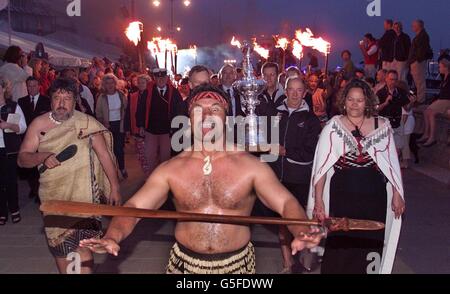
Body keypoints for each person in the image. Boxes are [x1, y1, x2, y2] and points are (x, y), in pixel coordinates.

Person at [80, 84, 322, 274]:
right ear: (189, 119)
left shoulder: (250, 166)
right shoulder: (171, 169)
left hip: (236, 266)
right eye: (199, 110)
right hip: (185, 264)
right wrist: (113, 235)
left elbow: (286, 203)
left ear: (226, 118)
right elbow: (134, 207)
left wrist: (301, 230)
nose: (207, 115)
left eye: (215, 109)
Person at [17, 78, 121, 274]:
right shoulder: (39, 124)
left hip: (84, 197)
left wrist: (114, 187)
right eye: (57, 98)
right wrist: (42, 156)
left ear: (75, 101)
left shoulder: (86, 123)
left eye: (67, 98)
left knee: (83, 246)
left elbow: (104, 155)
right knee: (60, 249)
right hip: (54, 197)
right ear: (51, 100)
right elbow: (22, 159)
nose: (62, 103)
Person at [308, 79, 405, 274]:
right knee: (341, 239)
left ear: (367, 102)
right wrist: (318, 201)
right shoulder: (332, 127)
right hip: (343, 192)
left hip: (374, 193)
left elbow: (392, 164)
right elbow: (321, 169)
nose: (354, 104)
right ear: (344, 101)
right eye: (351, 99)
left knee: (371, 238)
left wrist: (397, 193)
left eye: (359, 100)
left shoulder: (382, 126)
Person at [269, 77, 322, 273]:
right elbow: (266, 139)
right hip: (276, 176)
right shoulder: (276, 112)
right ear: (286, 90)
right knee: (281, 222)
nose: (294, 93)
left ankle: (301, 259)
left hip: (298, 178)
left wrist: (286, 152)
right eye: (291, 89)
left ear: (304, 92)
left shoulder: (310, 119)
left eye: (299, 90)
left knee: (298, 220)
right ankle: (286, 262)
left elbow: (310, 152)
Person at [136, 68, 184, 175]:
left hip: (167, 131)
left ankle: (164, 177)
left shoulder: (174, 92)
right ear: (154, 79)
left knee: (165, 156)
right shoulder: (148, 92)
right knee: (150, 155)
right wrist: (141, 126)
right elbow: (141, 109)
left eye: (163, 78)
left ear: (167, 78)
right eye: (158, 78)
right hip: (151, 130)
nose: (161, 80)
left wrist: (177, 128)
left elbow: (179, 110)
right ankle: (153, 177)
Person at [18, 77, 51, 202]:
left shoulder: (47, 101)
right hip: (26, 139)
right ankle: (34, 188)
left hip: (42, 139)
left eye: (34, 86)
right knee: (29, 167)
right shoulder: (21, 101)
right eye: (29, 86)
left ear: (39, 86)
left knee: (41, 166)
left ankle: (39, 191)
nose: (31, 88)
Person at [0, 76, 27, 225]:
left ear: (4, 88)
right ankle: (2, 212)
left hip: (9, 150)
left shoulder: (13, 106)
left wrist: (8, 125)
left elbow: (22, 127)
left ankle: (14, 210)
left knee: (10, 181)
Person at [96, 73, 129, 179]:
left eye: (112, 83)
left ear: (115, 83)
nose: (110, 85)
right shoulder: (102, 97)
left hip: (119, 124)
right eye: (107, 83)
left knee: (119, 148)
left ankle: (122, 168)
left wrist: (126, 126)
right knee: (109, 149)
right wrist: (102, 123)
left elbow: (126, 109)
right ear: (104, 85)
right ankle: (112, 171)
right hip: (107, 125)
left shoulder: (121, 95)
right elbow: (98, 112)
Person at [418, 56, 450, 147]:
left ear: (445, 67)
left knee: (430, 113)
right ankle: (426, 134)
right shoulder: (444, 77)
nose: (438, 69)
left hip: (446, 101)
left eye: (440, 67)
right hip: (442, 100)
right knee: (425, 112)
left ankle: (432, 137)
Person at [376, 70, 411, 152]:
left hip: (397, 122)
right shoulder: (380, 93)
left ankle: (395, 163)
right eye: (391, 79)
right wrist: (385, 103)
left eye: (395, 79)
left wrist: (411, 103)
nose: (393, 82)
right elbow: (376, 108)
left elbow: (407, 108)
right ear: (386, 79)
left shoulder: (401, 92)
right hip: (385, 123)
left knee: (398, 149)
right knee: (385, 149)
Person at [126, 74, 151, 174]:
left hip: (150, 129)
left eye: (143, 82)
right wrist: (127, 128)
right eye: (139, 82)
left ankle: (152, 171)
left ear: (148, 83)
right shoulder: (132, 96)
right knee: (141, 152)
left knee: (150, 152)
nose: (140, 84)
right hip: (136, 129)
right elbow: (128, 112)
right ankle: (146, 172)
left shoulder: (152, 95)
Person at [408, 20, 433, 104]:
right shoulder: (421, 35)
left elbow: (421, 50)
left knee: (420, 82)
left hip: (418, 62)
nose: (412, 27)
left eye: (413, 25)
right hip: (416, 61)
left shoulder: (422, 36)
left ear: (418, 26)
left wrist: (416, 59)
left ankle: (420, 100)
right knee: (418, 81)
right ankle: (419, 99)